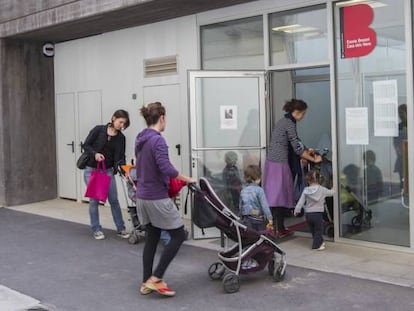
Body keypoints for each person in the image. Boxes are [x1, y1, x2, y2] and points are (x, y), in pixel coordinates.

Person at [135, 102, 196, 297]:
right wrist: (188, 179)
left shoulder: (140, 138)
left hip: (142, 197)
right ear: (161, 118)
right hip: (156, 197)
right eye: (165, 118)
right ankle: (157, 278)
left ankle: (145, 282)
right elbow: (166, 168)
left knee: (152, 238)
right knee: (179, 235)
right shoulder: (157, 140)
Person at [263, 99, 321, 238]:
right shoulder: (289, 123)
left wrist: (307, 150)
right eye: (304, 114)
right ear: (298, 112)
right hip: (279, 164)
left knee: (276, 197)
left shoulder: (283, 121)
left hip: (273, 163)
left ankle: (278, 228)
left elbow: (296, 143)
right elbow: (296, 147)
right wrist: (314, 159)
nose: (304, 117)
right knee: (278, 198)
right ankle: (275, 229)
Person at [83, 109, 131, 240]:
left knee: (114, 200)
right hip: (92, 170)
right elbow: (86, 145)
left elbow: (121, 157)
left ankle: (120, 228)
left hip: (108, 171)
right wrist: (95, 154)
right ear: (113, 118)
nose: (121, 126)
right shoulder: (98, 130)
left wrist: (125, 170)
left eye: (124, 124)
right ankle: (96, 229)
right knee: (94, 200)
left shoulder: (121, 138)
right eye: (120, 122)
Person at [294, 169, 335, 250]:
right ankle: (316, 246)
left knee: (313, 230)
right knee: (318, 230)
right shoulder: (322, 189)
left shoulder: (306, 190)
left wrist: (296, 210)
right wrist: (334, 188)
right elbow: (331, 193)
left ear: (308, 180)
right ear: (319, 179)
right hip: (318, 214)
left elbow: (301, 201)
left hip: (308, 215)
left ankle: (320, 242)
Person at [239, 164, 273, 232]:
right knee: (261, 235)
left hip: (246, 217)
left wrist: (241, 217)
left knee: (249, 236)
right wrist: (270, 218)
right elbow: (264, 205)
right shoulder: (259, 190)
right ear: (257, 178)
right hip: (257, 217)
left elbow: (240, 206)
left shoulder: (243, 190)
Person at [393, 104, 407, 189]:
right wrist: (399, 151)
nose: (400, 115)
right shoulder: (398, 127)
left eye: (402, 113)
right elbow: (395, 143)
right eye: (399, 113)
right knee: (403, 182)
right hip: (402, 158)